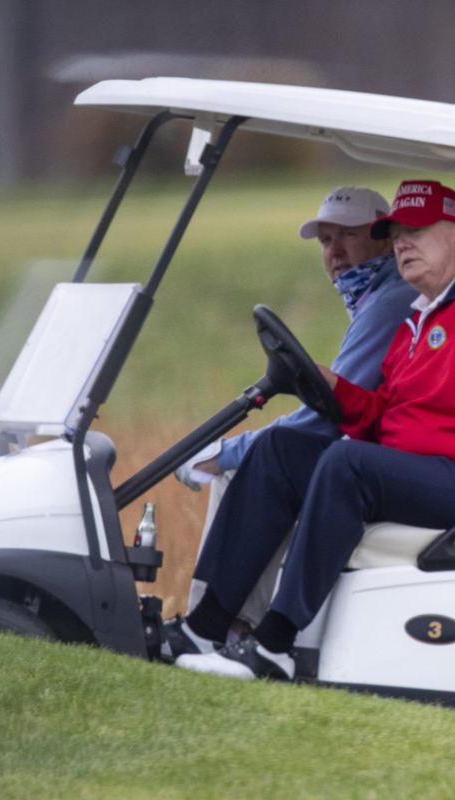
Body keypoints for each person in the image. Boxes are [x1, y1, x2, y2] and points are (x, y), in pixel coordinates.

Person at [174, 180, 455, 681]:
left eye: (417, 231)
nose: (402, 243)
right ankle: (203, 628)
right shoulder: (419, 320)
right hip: (440, 475)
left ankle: (274, 644)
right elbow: (386, 417)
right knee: (281, 448)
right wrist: (332, 387)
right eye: (397, 233)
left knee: (347, 463)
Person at [162, 186, 419, 657]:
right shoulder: (376, 294)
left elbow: (332, 414)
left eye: (348, 235)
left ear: (385, 238)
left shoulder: (390, 302)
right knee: (270, 454)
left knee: (265, 455)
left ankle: (214, 628)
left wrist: (226, 451)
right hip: (383, 454)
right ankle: (224, 627)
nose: (335, 252)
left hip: (396, 466)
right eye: (325, 241)